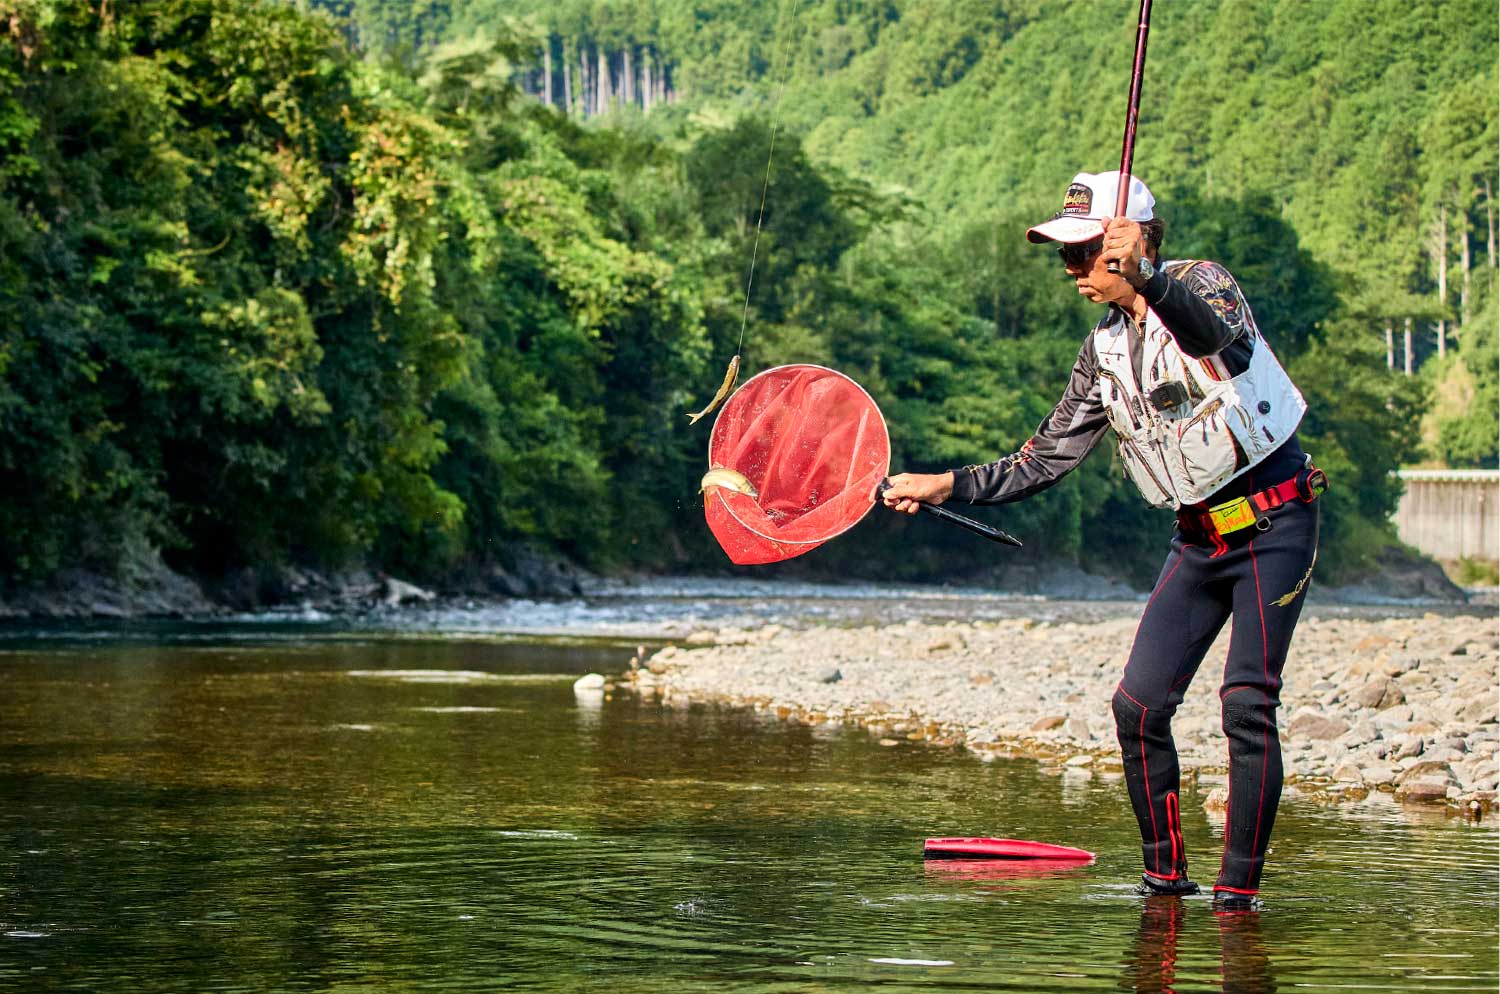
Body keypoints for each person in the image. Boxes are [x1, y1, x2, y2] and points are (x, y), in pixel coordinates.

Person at [882, 171, 1325, 909]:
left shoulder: (1202, 285)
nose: (1072, 272)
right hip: (1198, 540)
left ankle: (1237, 898)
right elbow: (1043, 458)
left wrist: (1148, 277)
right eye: (1065, 257)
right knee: (1138, 707)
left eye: (1085, 254)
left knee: (1246, 703)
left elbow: (1219, 342)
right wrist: (944, 484)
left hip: (1275, 522)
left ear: (1133, 240)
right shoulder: (1104, 351)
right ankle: (1164, 882)